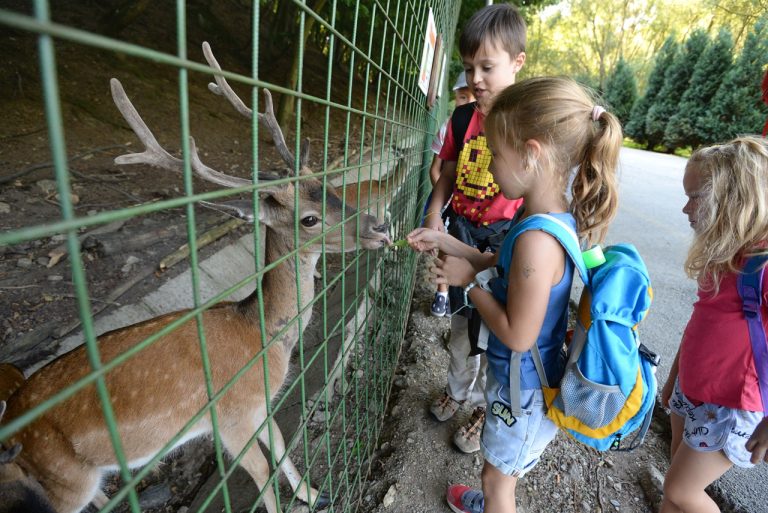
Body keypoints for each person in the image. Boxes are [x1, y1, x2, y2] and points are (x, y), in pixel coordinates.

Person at [408, 76, 622, 513]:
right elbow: (500, 267)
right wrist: (449, 244)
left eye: (495, 154)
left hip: (523, 395)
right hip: (520, 387)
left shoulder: (535, 242)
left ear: (530, 154)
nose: (488, 168)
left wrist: (466, 281)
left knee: (497, 478)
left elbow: (519, 334)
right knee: (500, 470)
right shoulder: (544, 218)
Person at [422, 3, 527, 455]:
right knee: (464, 326)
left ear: (518, 62)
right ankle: (458, 390)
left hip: (503, 242)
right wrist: (433, 214)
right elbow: (445, 173)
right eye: (468, 68)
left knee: (495, 328)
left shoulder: (527, 120)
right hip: (460, 233)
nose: (475, 79)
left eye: (487, 66)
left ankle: (485, 404)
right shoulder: (462, 119)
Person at [660, 136, 768, 513]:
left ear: (734, 201)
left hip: (731, 404)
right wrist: (675, 378)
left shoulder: (763, 265)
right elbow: (699, 324)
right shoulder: (725, 254)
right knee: (674, 484)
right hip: (694, 390)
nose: (685, 208)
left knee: (682, 491)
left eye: (696, 197)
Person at [428, 71, 475, 318]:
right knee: (445, 244)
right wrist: (444, 202)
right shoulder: (451, 126)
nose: (467, 102)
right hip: (451, 201)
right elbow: (437, 170)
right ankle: (442, 291)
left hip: (472, 206)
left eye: (471, 97)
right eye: (462, 97)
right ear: (455, 97)